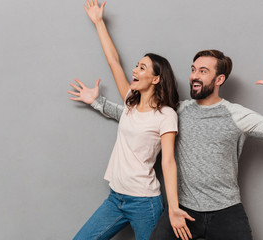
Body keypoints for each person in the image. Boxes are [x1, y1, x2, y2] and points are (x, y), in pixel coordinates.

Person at [93, 49, 263, 240]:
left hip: (226, 209)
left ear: (219, 79)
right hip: (184, 210)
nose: (194, 76)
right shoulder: (179, 111)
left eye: (203, 71)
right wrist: (98, 102)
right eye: (193, 70)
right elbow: (140, 120)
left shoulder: (236, 114)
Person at [67, 1, 193, 240]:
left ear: (156, 79)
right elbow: (114, 62)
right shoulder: (130, 102)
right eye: (136, 65)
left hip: (144, 202)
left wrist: (174, 207)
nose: (135, 70)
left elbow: (168, 162)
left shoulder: (166, 115)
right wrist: (99, 22)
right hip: (116, 197)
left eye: (142, 67)